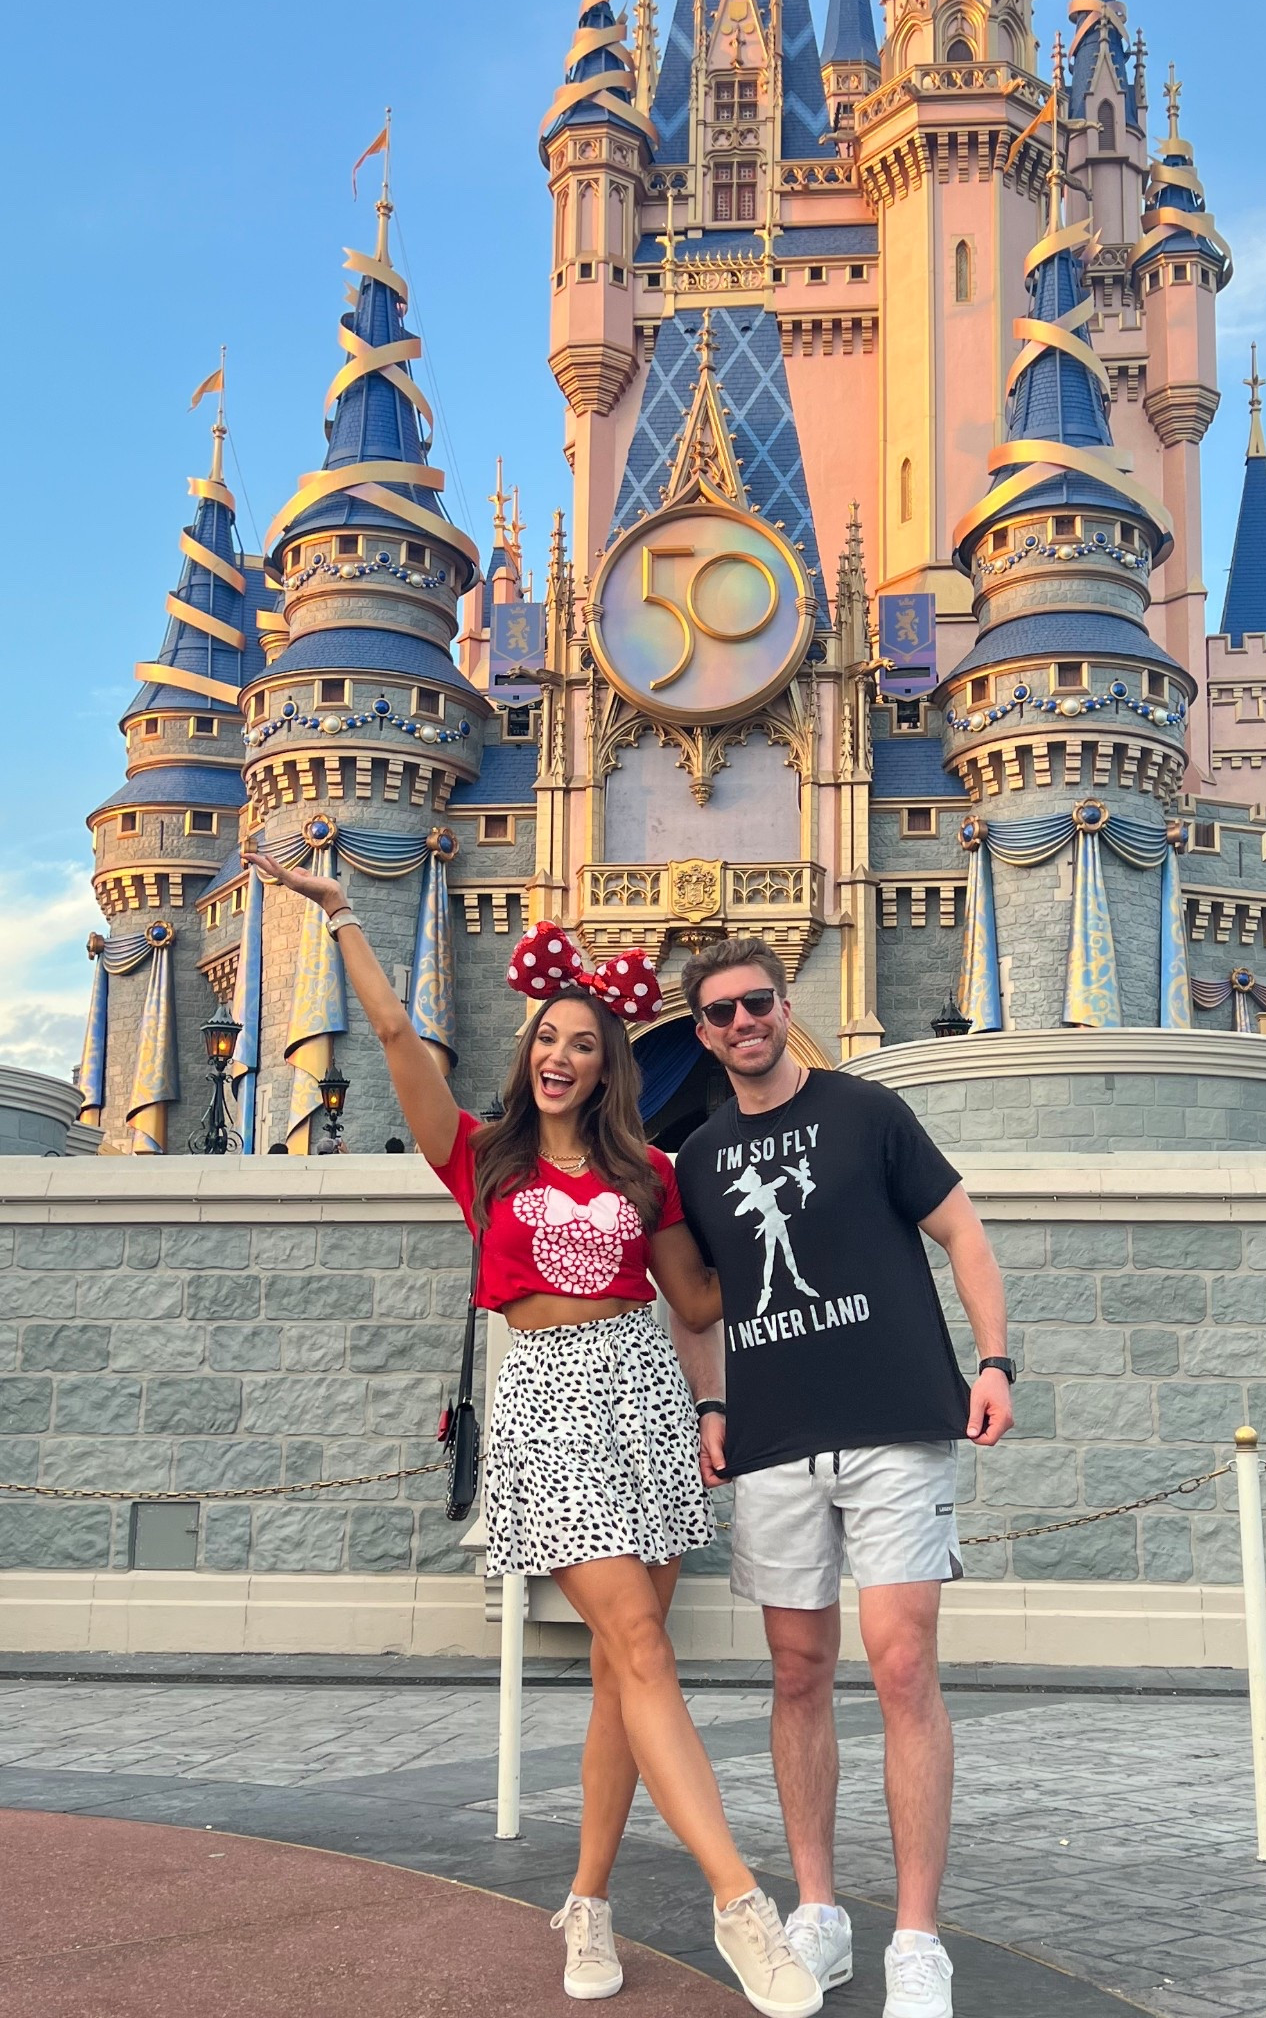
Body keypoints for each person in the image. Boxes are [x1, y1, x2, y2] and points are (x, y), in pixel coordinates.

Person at [249, 860, 823, 2018]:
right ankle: (739, 1903)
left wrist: (796, 1218)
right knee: (641, 1647)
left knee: (624, 1669)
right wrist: (344, 913)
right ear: (529, 1051)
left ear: (609, 1065)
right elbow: (397, 1031)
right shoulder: (479, 1153)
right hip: (548, 1402)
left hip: (643, 1397)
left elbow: (698, 1302)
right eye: (548, 1037)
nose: (562, 1054)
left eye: (584, 1043)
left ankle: (588, 1900)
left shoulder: (648, 1170)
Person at [673, 937, 1016, 2018]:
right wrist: (712, 1404)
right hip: (775, 1439)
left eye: (757, 1002)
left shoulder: (869, 1113)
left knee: (903, 1664)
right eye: (721, 1011)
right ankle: (818, 1911)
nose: (743, 1022)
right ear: (702, 1032)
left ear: (784, 1005)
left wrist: (994, 1360)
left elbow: (962, 1231)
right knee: (796, 1672)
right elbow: (696, 1303)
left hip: (895, 1423)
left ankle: (918, 1936)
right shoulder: (696, 1158)